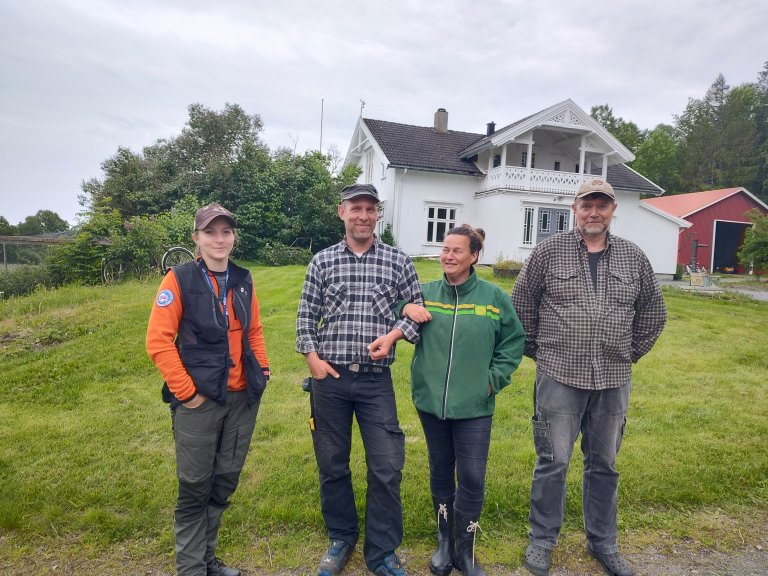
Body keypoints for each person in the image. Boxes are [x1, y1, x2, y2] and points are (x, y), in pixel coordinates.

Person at [512, 179, 666, 576]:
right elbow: (521, 305)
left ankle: (603, 543)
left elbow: (653, 312)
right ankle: (542, 540)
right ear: (574, 209)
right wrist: (541, 352)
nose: (593, 212)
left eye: (602, 205)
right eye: (586, 205)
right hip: (559, 375)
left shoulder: (634, 257)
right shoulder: (548, 252)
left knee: (605, 464)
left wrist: (628, 353)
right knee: (553, 461)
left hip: (613, 379)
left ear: (613, 210)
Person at [296, 183, 423, 576]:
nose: (363, 215)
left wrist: (394, 335)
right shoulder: (322, 261)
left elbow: (417, 311)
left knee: (386, 466)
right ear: (342, 213)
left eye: (370, 208)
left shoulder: (398, 261)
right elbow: (305, 317)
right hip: (329, 379)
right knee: (332, 463)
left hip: (374, 381)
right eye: (356, 208)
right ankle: (341, 537)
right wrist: (312, 359)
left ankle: (383, 552)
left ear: (377, 214)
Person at [146, 203, 270, 576]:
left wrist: (262, 370)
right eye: (210, 232)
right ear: (196, 238)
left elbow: (254, 332)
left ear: (234, 237)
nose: (219, 239)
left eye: (226, 232)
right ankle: (191, 569)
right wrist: (187, 393)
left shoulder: (244, 279)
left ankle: (207, 560)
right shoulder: (178, 280)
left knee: (223, 482)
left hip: (242, 400)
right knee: (194, 487)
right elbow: (158, 341)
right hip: (198, 403)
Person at [399, 225, 525, 576]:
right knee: (441, 470)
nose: (448, 256)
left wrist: (492, 381)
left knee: (471, 476)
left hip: (474, 406)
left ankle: (465, 550)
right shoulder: (424, 293)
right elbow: (392, 305)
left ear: (474, 256)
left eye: (457, 251)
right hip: (431, 405)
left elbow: (513, 341)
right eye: (445, 249)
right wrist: (407, 305)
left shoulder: (494, 298)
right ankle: (444, 542)